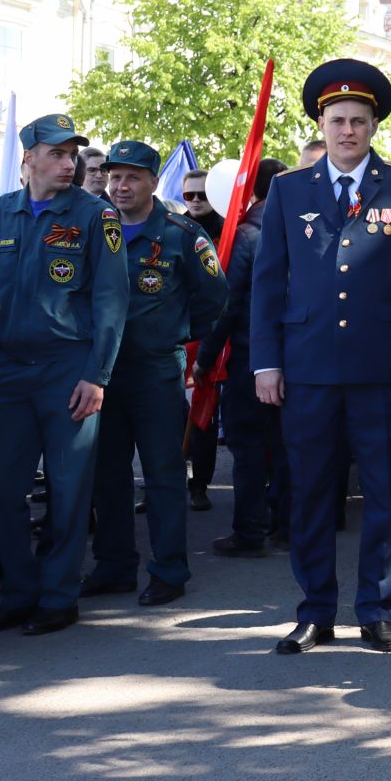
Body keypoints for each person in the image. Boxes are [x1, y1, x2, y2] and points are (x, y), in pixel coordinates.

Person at [252, 61, 391, 655]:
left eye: (359, 121)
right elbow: (268, 282)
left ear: (373, 125)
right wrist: (266, 363)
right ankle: (314, 611)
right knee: (310, 492)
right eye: (337, 121)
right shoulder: (288, 189)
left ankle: (377, 610)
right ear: (320, 124)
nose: (348, 131)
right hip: (306, 368)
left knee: (385, 492)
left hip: (382, 370)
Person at [0, 113, 129, 637]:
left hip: (69, 370)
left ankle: (58, 597)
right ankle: (19, 592)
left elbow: (111, 299)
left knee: (67, 490)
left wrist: (97, 374)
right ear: (29, 159)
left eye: (73, 154)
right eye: (58, 154)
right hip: (10, 371)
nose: (70, 163)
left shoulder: (94, 216)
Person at [81, 141, 228, 606]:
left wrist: (176, 333)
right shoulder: (92, 228)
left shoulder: (182, 234)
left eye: (131, 178)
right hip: (100, 373)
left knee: (163, 474)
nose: (120, 186)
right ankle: (114, 565)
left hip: (155, 371)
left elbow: (215, 300)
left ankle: (169, 569)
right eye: (114, 177)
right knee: (107, 473)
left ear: (151, 182)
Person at [200, 159, 288, 557]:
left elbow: (227, 302)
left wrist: (205, 357)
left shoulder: (246, 233)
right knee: (287, 444)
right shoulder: (300, 227)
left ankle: (250, 531)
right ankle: (286, 525)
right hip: (294, 355)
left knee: (248, 445)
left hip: (252, 358)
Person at [177, 167, 224, 509]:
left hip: (209, 339)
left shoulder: (229, 232)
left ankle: (199, 486)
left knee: (204, 417)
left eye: (202, 195)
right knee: (165, 419)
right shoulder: (173, 229)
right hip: (174, 337)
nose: (195, 201)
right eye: (189, 195)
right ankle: (165, 482)